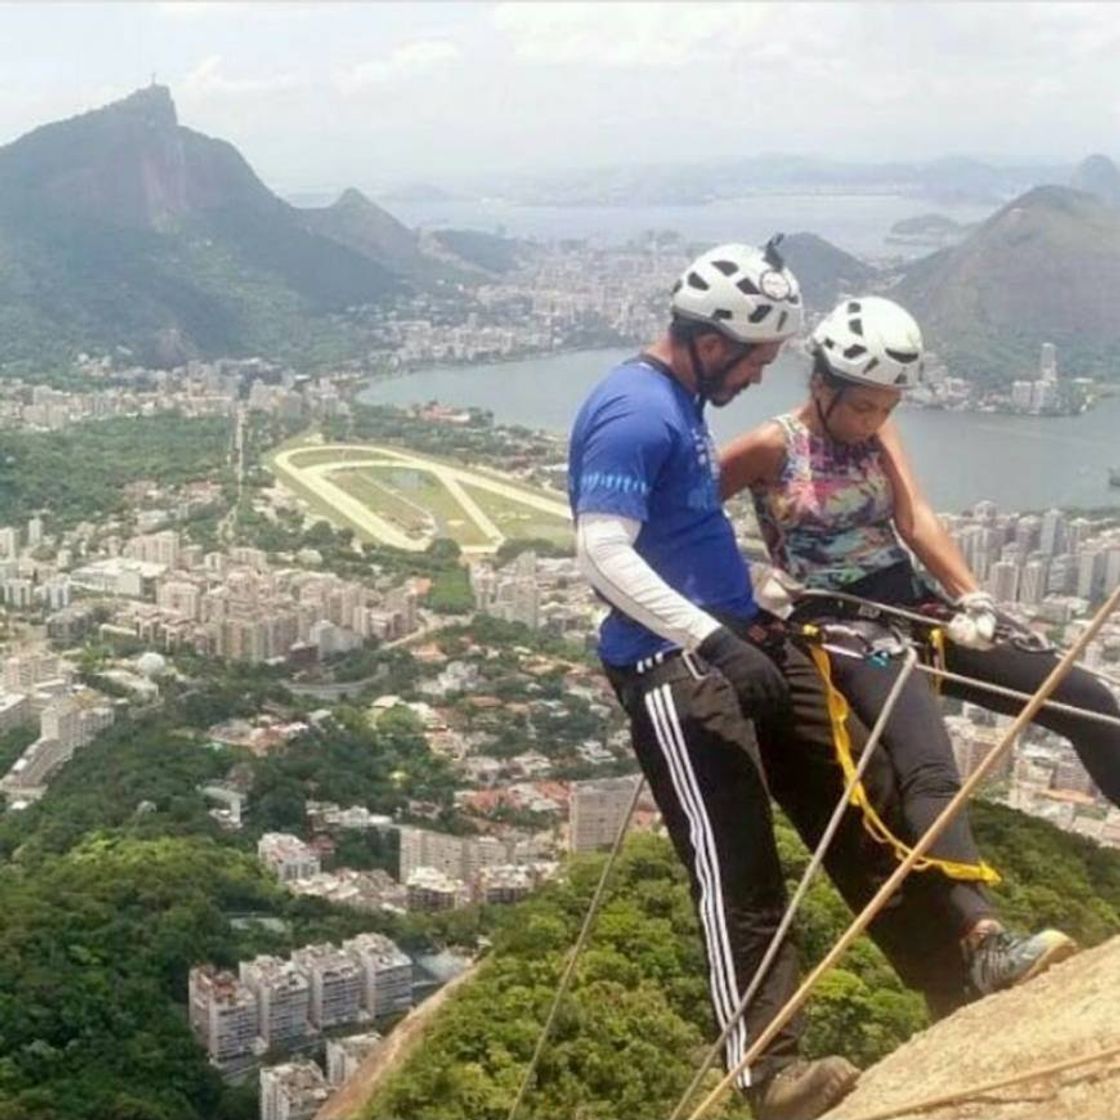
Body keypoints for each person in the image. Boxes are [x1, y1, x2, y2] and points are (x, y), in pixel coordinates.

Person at [720, 295, 1112, 990]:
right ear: (821, 384)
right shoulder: (768, 448)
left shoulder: (877, 435)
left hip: (915, 600)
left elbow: (915, 517)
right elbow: (685, 516)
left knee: (1080, 696)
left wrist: (973, 596)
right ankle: (984, 942)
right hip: (843, 625)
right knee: (925, 764)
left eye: (887, 407)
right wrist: (745, 586)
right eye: (864, 406)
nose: (875, 420)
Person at [569, 239, 861, 1120]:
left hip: (723, 643)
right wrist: (711, 638)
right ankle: (769, 1077)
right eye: (758, 356)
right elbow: (601, 549)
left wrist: (748, 609)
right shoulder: (636, 411)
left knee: (842, 789)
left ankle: (955, 943)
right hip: (672, 671)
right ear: (711, 340)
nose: (760, 374)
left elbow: (682, 536)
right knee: (736, 864)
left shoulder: (680, 401)